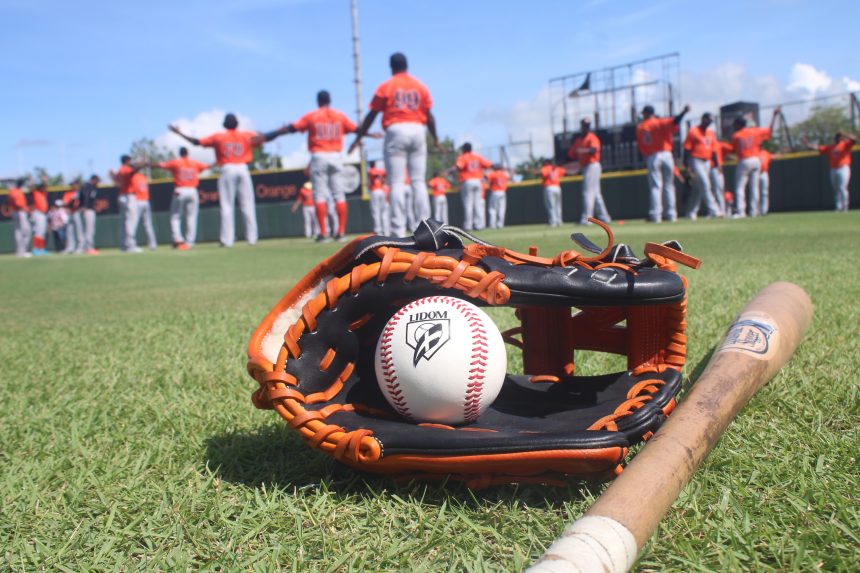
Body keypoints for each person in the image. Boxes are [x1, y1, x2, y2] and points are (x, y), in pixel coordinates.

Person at [348, 52, 441, 237]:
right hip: (417, 129)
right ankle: (426, 227)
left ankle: (398, 230)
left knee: (397, 182)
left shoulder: (387, 85)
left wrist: (358, 138)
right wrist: (436, 138)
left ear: (391, 67)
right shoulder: (420, 86)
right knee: (418, 182)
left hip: (396, 130)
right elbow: (429, 116)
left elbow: (371, 115)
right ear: (407, 65)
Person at [170, 113, 278, 247]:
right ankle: (252, 238)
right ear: (237, 124)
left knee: (227, 206)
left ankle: (227, 240)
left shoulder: (219, 137)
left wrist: (179, 133)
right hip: (243, 169)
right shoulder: (246, 134)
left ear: (224, 124)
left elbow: (196, 142)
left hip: (227, 169)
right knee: (248, 204)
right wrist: (280, 130)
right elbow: (266, 138)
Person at [268, 91, 358, 242]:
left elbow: (292, 127)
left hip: (319, 156)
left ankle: (323, 233)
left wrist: (271, 135)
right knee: (339, 194)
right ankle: (341, 232)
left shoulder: (313, 116)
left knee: (320, 195)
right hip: (336, 156)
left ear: (318, 101)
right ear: (330, 100)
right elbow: (357, 129)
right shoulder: (339, 116)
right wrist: (368, 135)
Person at [636, 103, 690, 222]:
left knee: (656, 187)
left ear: (645, 113)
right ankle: (671, 214)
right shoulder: (660, 122)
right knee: (669, 186)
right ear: (653, 113)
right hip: (666, 155)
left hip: (652, 156)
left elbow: (641, 146)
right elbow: (675, 122)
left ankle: (656, 215)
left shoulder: (641, 127)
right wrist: (684, 112)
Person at [730, 107, 780, 218]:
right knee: (754, 187)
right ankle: (754, 212)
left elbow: (733, 150)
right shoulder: (756, 131)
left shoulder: (736, 135)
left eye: (735, 124)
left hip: (744, 160)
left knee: (740, 187)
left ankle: (741, 211)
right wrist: (774, 116)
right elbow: (769, 131)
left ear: (738, 125)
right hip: (756, 160)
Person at [157, 147, 208, 249]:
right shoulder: (194, 163)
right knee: (192, 217)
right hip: (193, 190)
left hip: (180, 190)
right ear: (187, 153)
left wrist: (147, 164)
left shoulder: (176, 162)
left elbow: (160, 165)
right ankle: (190, 242)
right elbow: (206, 166)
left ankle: (178, 239)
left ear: (180, 153)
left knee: (175, 216)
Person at [568, 118, 611, 225]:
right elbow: (571, 155)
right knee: (596, 194)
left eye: (587, 125)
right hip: (585, 166)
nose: (586, 127)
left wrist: (582, 151)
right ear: (581, 126)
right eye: (584, 125)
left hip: (592, 165)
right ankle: (605, 217)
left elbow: (593, 150)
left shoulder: (592, 138)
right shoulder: (579, 140)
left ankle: (587, 219)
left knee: (587, 193)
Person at [682, 112, 722, 219]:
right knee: (705, 184)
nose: (709, 122)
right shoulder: (693, 131)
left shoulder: (711, 133)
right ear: (703, 119)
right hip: (696, 160)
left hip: (707, 162)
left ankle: (691, 212)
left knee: (697, 189)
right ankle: (715, 210)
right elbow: (686, 149)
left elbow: (713, 151)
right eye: (707, 120)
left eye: (710, 121)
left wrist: (717, 165)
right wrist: (686, 165)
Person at [805, 131, 856, 212]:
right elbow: (818, 148)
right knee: (836, 189)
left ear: (841, 138)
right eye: (836, 136)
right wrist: (809, 145)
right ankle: (838, 207)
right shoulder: (830, 147)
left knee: (842, 187)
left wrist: (846, 134)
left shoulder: (845, 144)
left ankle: (845, 207)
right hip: (833, 169)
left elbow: (854, 140)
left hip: (843, 168)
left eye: (839, 136)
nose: (837, 138)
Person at [452, 143, 492, 231]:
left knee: (468, 204)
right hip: (478, 181)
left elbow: (459, 167)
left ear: (464, 149)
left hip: (467, 181)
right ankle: (478, 225)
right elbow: (488, 164)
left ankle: (468, 225)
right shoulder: (477, 156)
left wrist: (452, 169)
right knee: (477, 204)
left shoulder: (463, 157)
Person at [110, 155, 145, 252]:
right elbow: (133, 171)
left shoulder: (119, 170)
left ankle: (123, 245)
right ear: (127, 161)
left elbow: (116, 182)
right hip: (129, 196)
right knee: (131, 221)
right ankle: (130, 245)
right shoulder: (125, 168)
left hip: (122, 195)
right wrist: (140, 165)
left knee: (124, 222)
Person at [131, 171, 157, 250]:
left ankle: (131, 244)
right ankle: (153, 244)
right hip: (146, 201)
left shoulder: (132, 177)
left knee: (133, 224)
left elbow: (131, 190)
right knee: (148, 224)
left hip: (137, 201)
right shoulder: (143, 177)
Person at [8, 179, 31, 258]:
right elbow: (18, 203)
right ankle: (22, 251)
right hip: (19, 212)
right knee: (26, 231)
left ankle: (19, 252)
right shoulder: (16, 191)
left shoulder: (13, 191)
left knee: (18, 231)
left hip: (17, 212)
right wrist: (24, 209)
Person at [540, 159, 567, 227]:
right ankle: (559, 221)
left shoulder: (545, 168)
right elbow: (564, 172)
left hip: (549, 187)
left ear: (546, 163)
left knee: (551, 206)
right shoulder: (557, 168)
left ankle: (553, 222)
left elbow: (542, 174)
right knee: (558, 206)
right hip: (557, 187)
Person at [78, 174, 100, 254]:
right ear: (93, 179)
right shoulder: (88, 186)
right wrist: (85, 206)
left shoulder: (91, 187)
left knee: (86, 229)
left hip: (87, 209)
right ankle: (89, 247)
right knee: (89, 230)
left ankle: (84, 247)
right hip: (87, 210)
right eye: (97, 180)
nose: (98, 182)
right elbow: (86, 196)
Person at [711, 140, 734, 217]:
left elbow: (732, 149)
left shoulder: (719, 144)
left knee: (719, 190)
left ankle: (722, 211)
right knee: (712, 192)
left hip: (716, 168)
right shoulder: (704, 143)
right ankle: (714, 212)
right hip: (707, 168)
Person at [367, 160, 390, 235]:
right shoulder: (380, 171)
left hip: (375, 191)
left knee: (376, 212)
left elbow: (373, 174)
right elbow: (385, 174)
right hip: (381, 191)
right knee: (383, 212)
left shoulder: (371, 170)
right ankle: (386, 231)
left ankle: (378, 230)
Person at [486, 164, 511, 229]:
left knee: (493, 209)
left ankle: (492, 225)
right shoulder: (504, 174)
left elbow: (485, 179)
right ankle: (500, 224)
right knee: (501, 209)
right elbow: (510, 178)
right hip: (503, 192)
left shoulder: (493, 173)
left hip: (495, 192)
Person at [62, 181, 84, 254]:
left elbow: (80, 202)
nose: (74, 186)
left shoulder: (80, 192)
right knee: (69, 230)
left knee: (79, 230)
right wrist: (67, 207)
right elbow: (64, 202)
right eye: (73, 185)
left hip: (77, 212)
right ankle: (70, 247)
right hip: (69, 213)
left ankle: (80, 247)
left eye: (76, 184)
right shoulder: (68, 193)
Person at [30, 179, 49, 255]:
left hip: (43, 214)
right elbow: (31, 188)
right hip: (38, 213)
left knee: (42, 232)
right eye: (43, 187)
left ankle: (41, 249)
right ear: (40, 188)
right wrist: (31, 180)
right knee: (38, 231)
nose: (45, 188)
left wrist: (45, 179)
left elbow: (45, 187)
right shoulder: (36, 193)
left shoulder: (43, 194)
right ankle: (36, 248)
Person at [759, 149, 773, 215]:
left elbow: (771, 159)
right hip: (756, 173)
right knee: (756, 192)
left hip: (764, 173)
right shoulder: (753, 152)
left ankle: (764, 210)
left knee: (764, 192)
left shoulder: (765, 152)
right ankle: (755, 210)